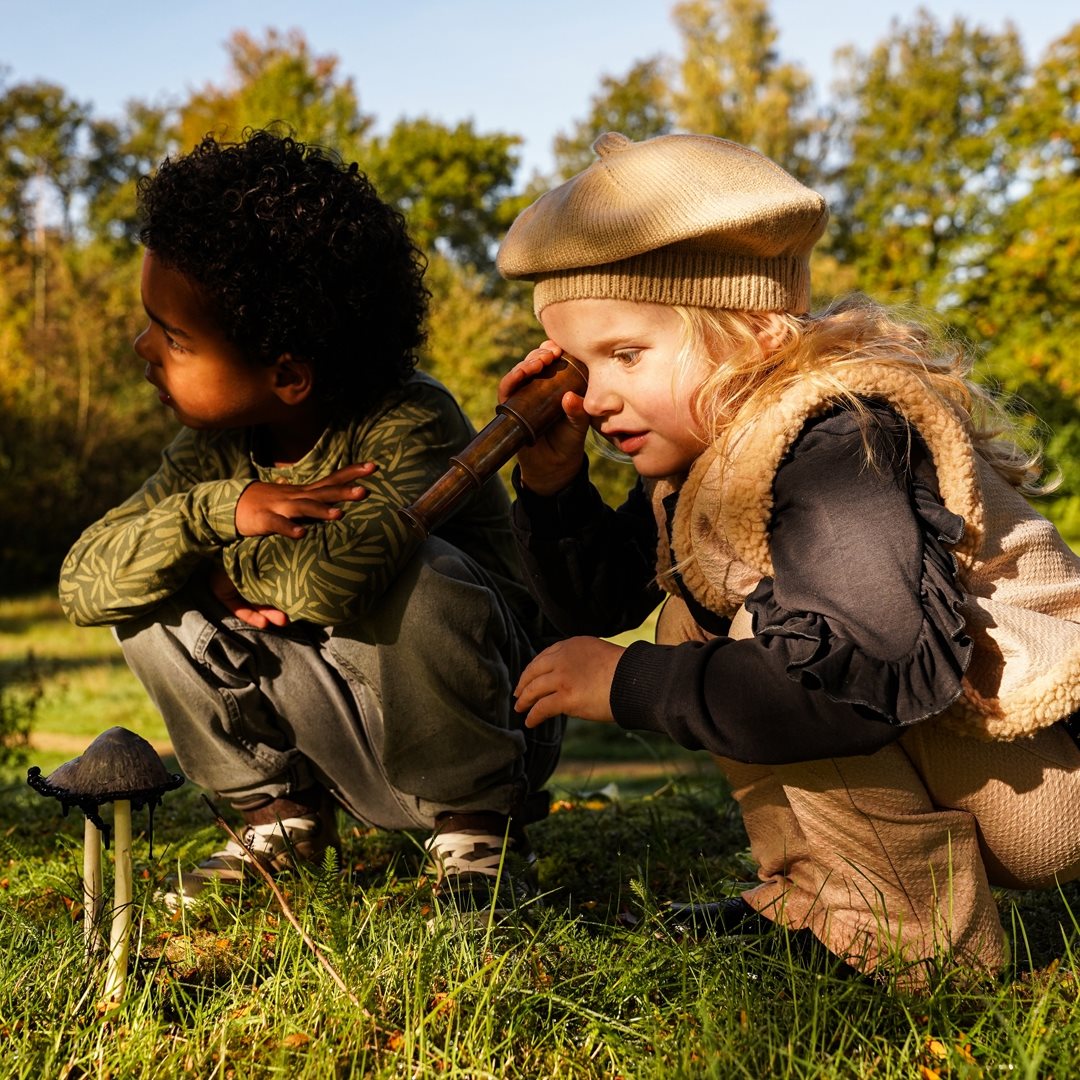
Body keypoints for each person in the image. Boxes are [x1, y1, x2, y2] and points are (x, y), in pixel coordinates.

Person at [495, 130, 1080, 983]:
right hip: (982, 758)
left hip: (1043, 769)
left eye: (626, 354)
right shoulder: (714, 456)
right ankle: (819, 899)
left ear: (756, 330)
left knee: (754, 635)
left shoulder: (837, 440)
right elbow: (597, 604)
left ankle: (912, 943)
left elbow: (857, 681)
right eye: (581, 365)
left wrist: (626, 683)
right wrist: (553, 487)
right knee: (693, 610)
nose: (597, 395)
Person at [58, 129, 562, 911]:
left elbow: (336, 578)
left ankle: (477, 835)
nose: (141, 347)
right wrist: (213, 515)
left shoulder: (409, 420)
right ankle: (277, 818)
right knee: (142, 586)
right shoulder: (213, 453)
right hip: (332, 722)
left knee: (421, 574)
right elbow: (83, 582)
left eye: (174, 337)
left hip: (472, 724)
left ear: (288, 373)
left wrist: (221, 570)